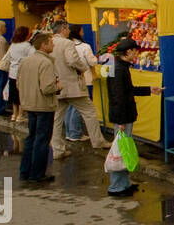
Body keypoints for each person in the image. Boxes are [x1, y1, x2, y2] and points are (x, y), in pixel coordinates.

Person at [105, 37, 162, 196]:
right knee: (121, 150)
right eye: (135, 51)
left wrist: (150, 89)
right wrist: (121, 120)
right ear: (128, 51)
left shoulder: (119, 66)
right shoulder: (118, 69)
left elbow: (128, 90)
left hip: (124, 115)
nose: (136, 55)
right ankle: (116, 187)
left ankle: (124, 183)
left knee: (125, 149)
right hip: (122, 116)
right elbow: (118, 96)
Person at [50, 20, 105, 156]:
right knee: (90, 111)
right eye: (67, 28)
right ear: (63, 29)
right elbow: (73, 60)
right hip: (72, 85)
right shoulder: (67, 43)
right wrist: (83, 68)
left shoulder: (49, 42)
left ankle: (57, 149)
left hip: (56, 85)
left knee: (57, 118)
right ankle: (98, 141)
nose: (69, 31)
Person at [16, 32, 58, 184]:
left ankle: (25, 171)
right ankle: (37, 174)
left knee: (31, 138)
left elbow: (18, 83)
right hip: (43, 105)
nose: (53, 45)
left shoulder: (25, 61)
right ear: (43, 45)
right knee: (42, 139)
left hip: (28, 104)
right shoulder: (46, 63)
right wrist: (58, 86)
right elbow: (47, 88)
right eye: (51, 43)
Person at [63, 24, 97, 141]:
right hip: (85, 79)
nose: (83, 33)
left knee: (70, 107)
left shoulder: (65, 45)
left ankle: (69, 132)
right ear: (78, 32)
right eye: (82, 31)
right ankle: (76, 133)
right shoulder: (84, 46)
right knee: (80, 108)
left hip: (69, 81)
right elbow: (92, 62)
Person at [5, 26, 34, 124]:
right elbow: (32, 57)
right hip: (22, 73)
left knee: (13, 94)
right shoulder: (27, 46)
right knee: (22, 94)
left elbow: (8, 57)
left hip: (12, 72)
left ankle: (14, 114)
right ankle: (20, 115)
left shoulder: (13, 45)